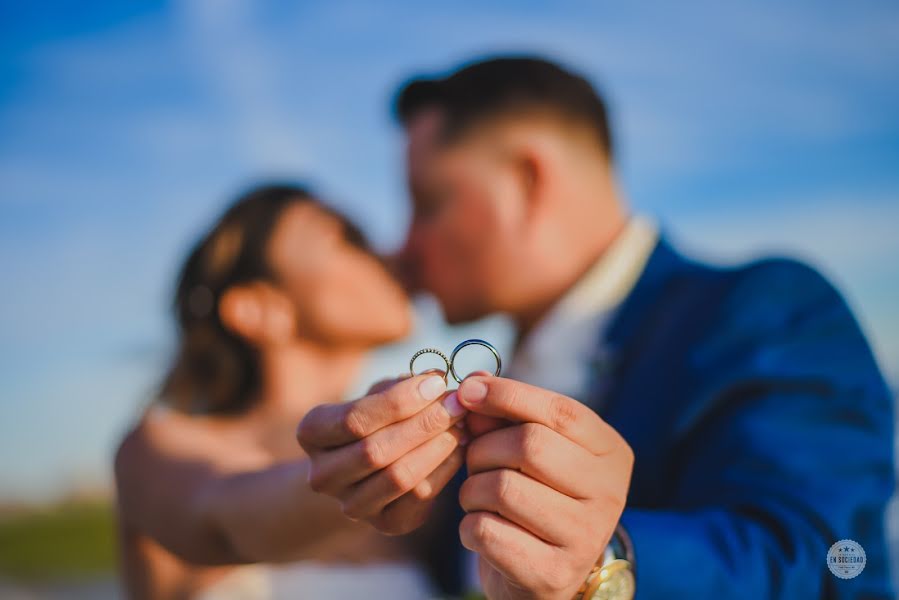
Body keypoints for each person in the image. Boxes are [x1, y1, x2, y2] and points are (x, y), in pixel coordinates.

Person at [297, 56, 895, 599]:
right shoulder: (482, 385)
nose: (403, 248)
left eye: (427, 202)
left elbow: (835, 560)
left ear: (528, 182)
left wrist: (607, 562)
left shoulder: (767, 308)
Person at [115, 185, 451, 599]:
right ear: (258, 308)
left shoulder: (422, 501)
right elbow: (226, 511)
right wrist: (359, 477)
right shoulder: (158, 449)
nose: (388, 257)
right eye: (347, 237)